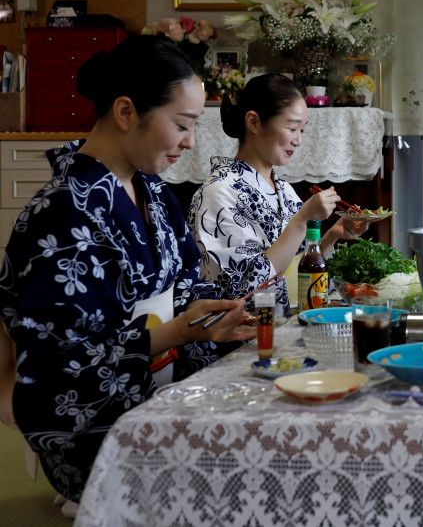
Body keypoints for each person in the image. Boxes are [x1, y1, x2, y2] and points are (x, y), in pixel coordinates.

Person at [0, 35, 256, 507]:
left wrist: (211, 317)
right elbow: (64, 356)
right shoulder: (62, 212)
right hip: (93, 415)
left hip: (159, 387)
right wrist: (176, 333)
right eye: (182, 124)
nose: (191, 142)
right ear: (125, 112)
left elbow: (184, 284)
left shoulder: (154, 192)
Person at [187, 74, 367, 317]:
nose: (299, 140)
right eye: (292, 128)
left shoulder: (283, 190)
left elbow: (293, 273)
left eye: (302, 130)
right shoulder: (216, 194)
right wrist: (302, 219)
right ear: (253, 122)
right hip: (241, 338)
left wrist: (333, 235)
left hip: (281, 327)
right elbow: (246, 293)